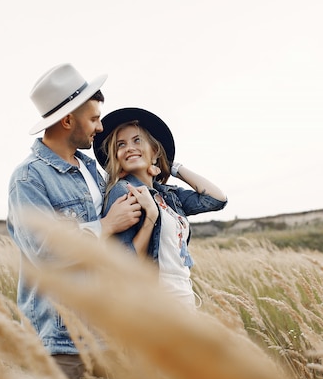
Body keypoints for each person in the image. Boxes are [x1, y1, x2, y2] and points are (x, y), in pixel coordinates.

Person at [6, 64, 143, 379]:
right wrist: (107, 225)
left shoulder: (92, 170)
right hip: (64, 341)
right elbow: (44, 251)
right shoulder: (29, 178)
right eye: (94, 118)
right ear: (68, 120)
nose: (100, 126)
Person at [93, 108, 227, 308]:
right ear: (117, 156)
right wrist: (151, 218)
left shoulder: (168, 195)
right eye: (121, 145)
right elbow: (124, 261)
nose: (129, 148)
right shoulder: (124, 192)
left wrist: (172, 166)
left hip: (183, 299)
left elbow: (216, 199)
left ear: (154, 151)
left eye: (137, 140)